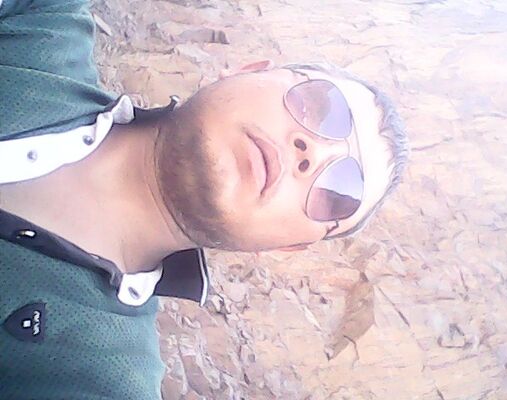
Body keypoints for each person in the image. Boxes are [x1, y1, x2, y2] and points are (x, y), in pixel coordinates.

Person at [0, 0, 408, 398]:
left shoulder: (101, 380)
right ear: (248, 71)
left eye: (338, 194)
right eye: (319, 108)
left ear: (288, 246)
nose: (314, 154)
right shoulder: (40, 21)